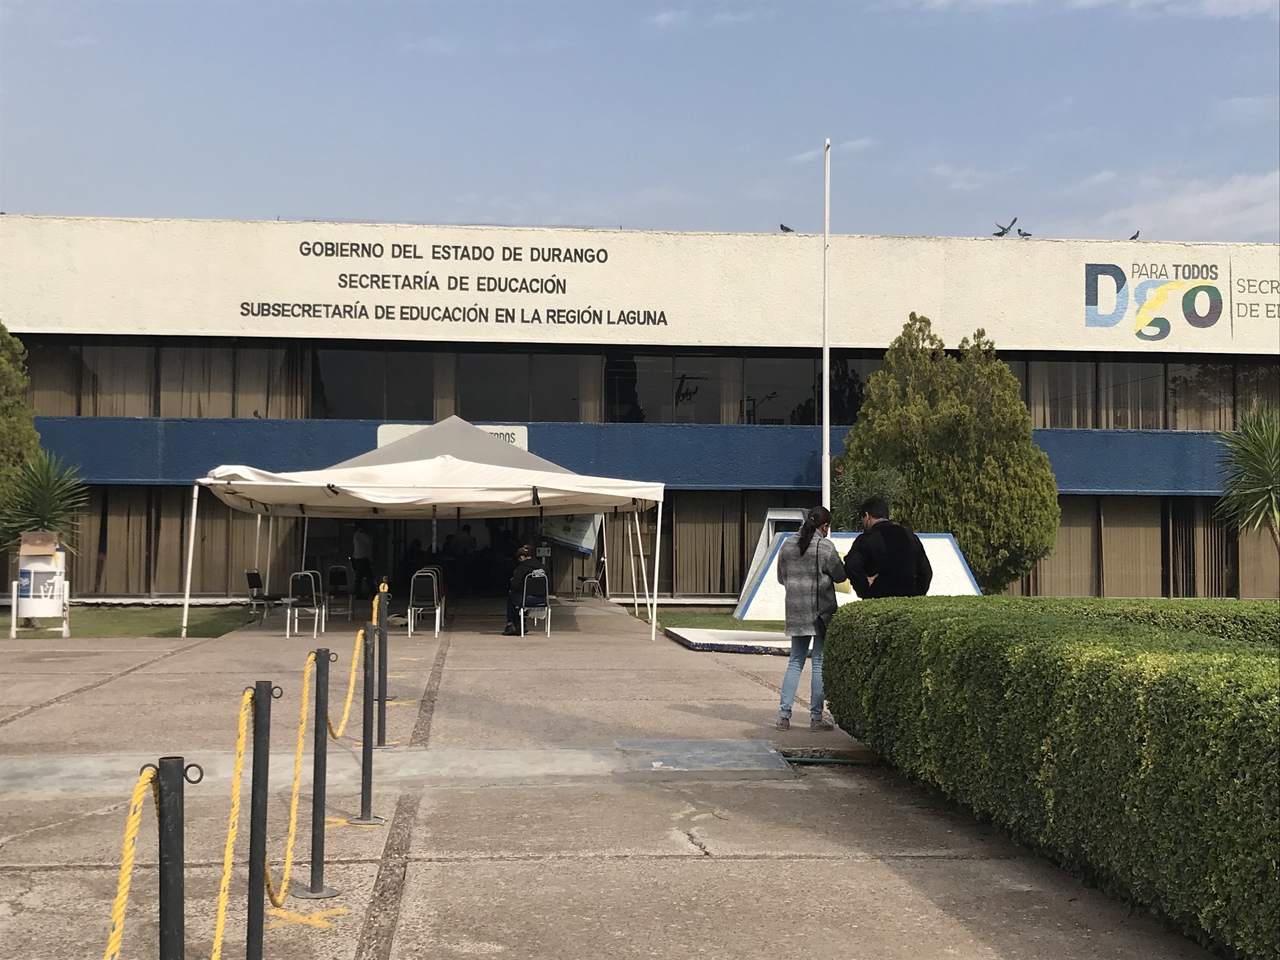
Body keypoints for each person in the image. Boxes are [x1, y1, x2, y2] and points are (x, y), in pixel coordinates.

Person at [776, 505, 848, 732]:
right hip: (820, 613)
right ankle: (816, 718)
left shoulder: (787, 545)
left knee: (795, 661)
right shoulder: (825, 547)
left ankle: (784, 716)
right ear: (824, 526)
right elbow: (840, 576)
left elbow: (781, 578)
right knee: (819, 663)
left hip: (795, 611)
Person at [843, 496, 932, 598]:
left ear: (867, 516)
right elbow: (926, 572)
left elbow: (851, 566)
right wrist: (916, 594)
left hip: (878, 599)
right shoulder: (910, 537)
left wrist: (865, 588)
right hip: (907, 600)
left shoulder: (866, 539)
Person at [503, 543, 546, 636]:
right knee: (519, 598)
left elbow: (515, 585)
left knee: (512, 597)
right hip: (542, 599)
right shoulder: (542, 567)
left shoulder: (522, 568)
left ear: (522, 557)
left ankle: (512, 624)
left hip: (527, 599)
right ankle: (521, 625)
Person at [351, 522, 375, 600]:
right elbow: (369, 541)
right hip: (363, 558)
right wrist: (371, 535)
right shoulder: (361, 534)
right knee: (368, 576)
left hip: (359, 558)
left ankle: (358, 593)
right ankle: (373, 592)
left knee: (360, 576)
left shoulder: (356, 534)